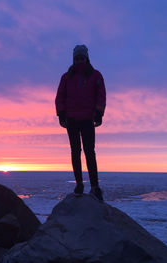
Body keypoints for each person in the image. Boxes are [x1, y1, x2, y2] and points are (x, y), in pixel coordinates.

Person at [55, 44, 106, 201]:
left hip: (87, 120)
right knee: (75, 152)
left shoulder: (95, 75)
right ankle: (79, 184)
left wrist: (98, 113)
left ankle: (95, 187)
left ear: (87, 58)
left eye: (82, 58)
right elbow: (60, 97)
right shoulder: (66, 77)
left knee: (90, 152)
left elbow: (101, 95)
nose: (79, 61)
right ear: (73, 59)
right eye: (77, 58)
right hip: (71, 120)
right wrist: (61, 114)